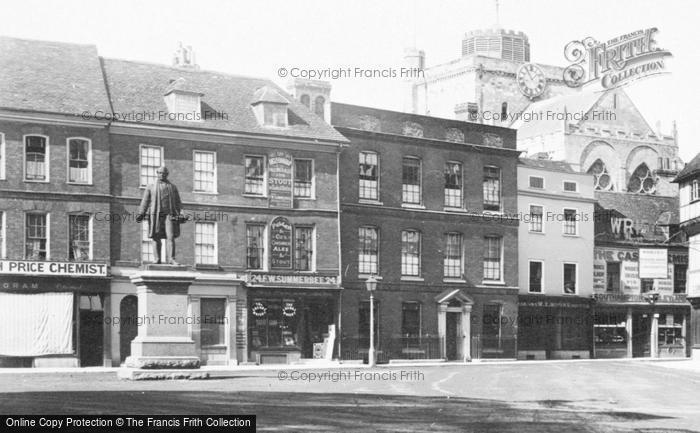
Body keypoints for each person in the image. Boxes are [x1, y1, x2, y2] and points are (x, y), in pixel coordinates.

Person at [135, 166, 184, 265]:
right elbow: (145, 201)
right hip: (155, 214)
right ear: (157, 173)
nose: (162, 175)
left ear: (167, 174)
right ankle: (157, 258)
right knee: (156, 236)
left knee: (170, 237)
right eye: (160, 173)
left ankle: (171, 259)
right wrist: (141, 213)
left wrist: (181, 213)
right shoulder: (151, 186)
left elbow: (178, 202)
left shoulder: (172, 187)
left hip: (169, 215)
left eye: (164, 173)